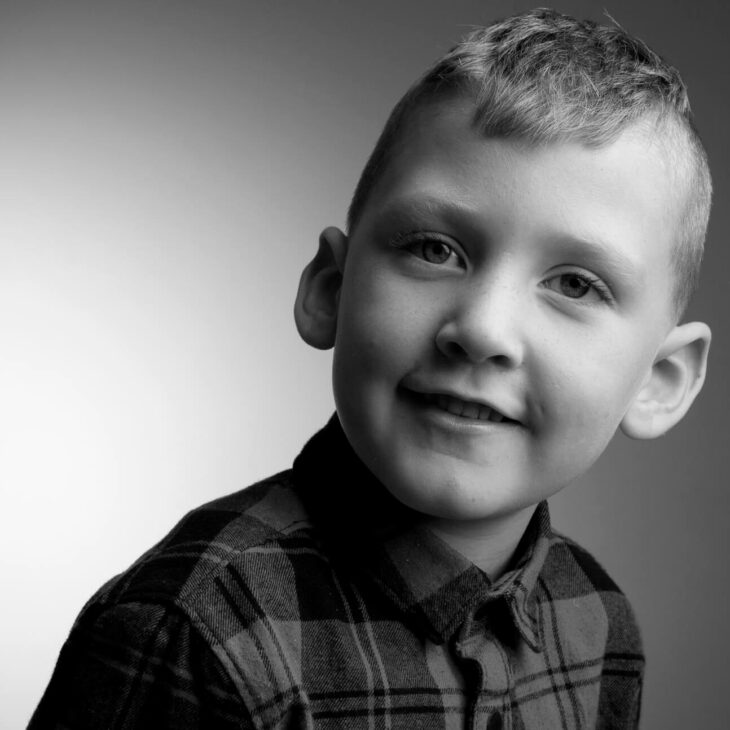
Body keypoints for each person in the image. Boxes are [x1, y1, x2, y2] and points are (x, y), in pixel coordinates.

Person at [29, 8, 712, 729]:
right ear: (331, 289)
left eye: (575, 284)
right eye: (434, 249)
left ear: (658, 382)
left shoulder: (600, 622)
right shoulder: (194, 635)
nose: (481, 330)